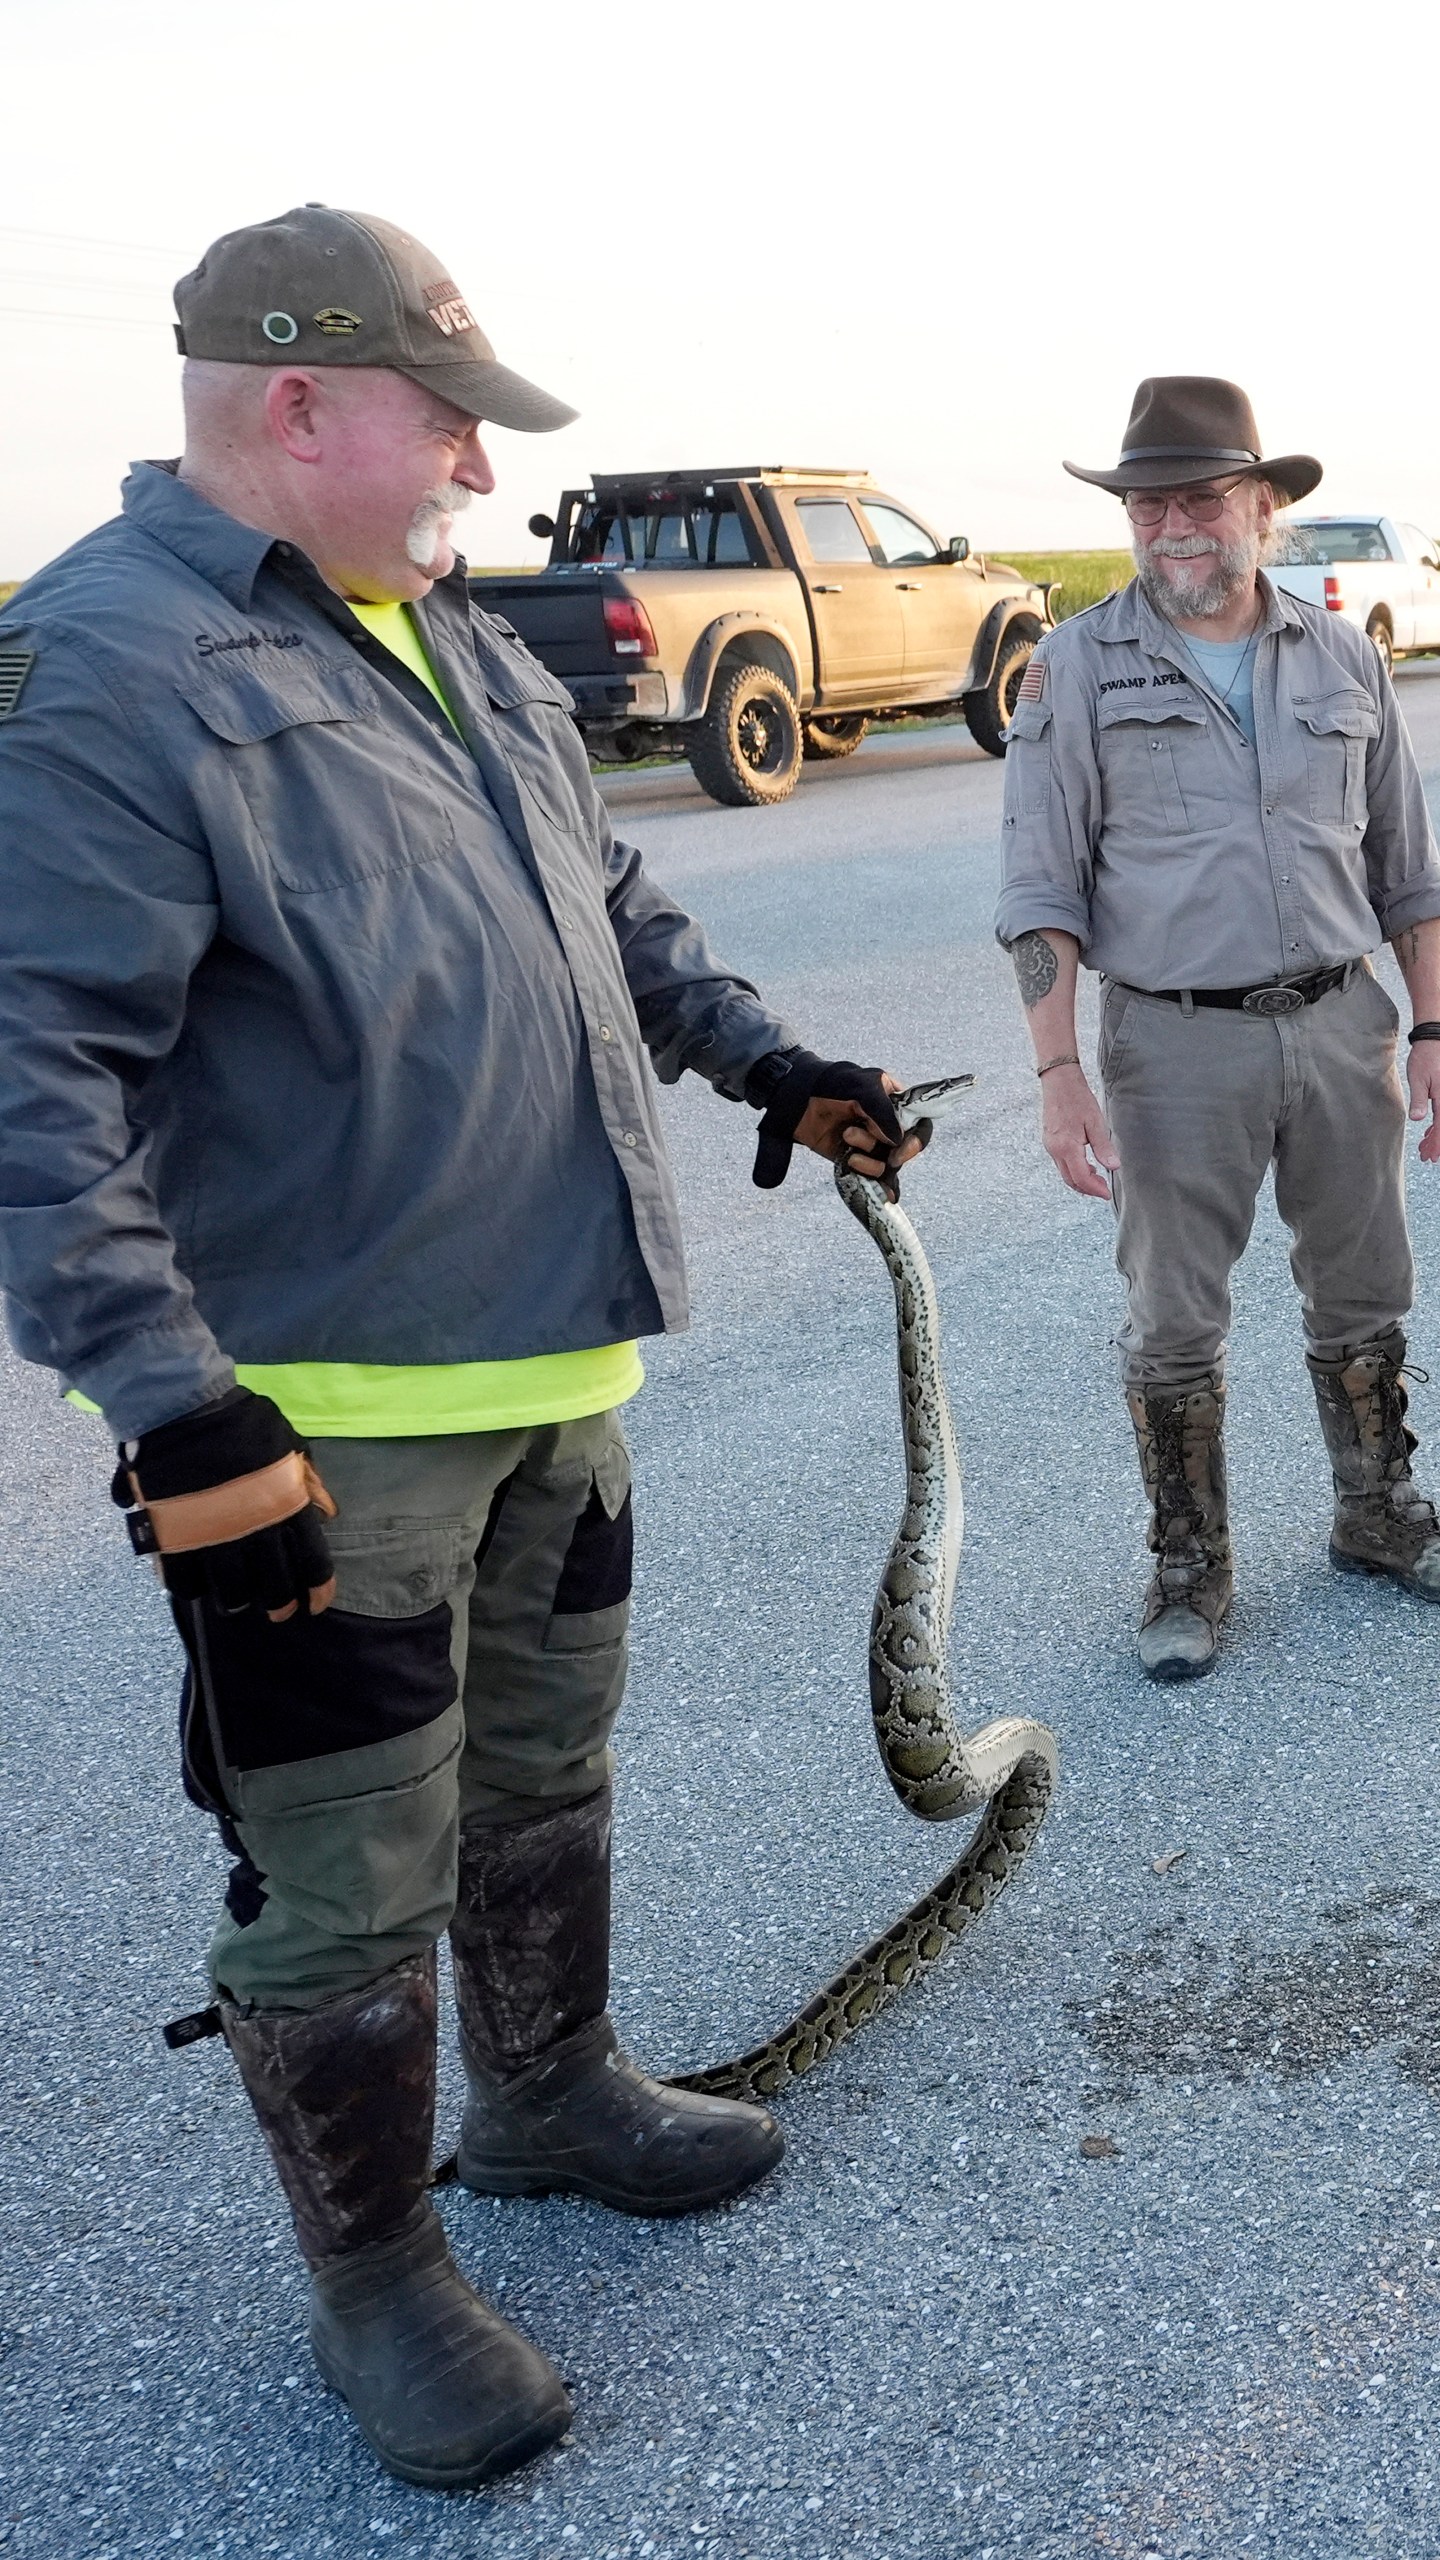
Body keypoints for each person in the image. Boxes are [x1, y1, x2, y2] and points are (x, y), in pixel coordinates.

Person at [0, 205, 923, 2491]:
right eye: (451, 426)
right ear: (297, 400)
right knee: (342, 1859)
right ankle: (379, 2279)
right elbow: (33, 1072)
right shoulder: (106, 663)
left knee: (543, 1766)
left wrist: (766, 1058)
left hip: (553, 1365)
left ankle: (549, 2094)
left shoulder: (449, 632)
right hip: (318, 1421)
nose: (482, 477)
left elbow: (610, 909)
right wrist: (175, 1408)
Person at [995, 376, 1440, 1680]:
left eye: (1199, 498)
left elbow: (1409, 869)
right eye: (1148, 503)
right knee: (1174, 1316)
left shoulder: (1344, 654)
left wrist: (1430, 1029)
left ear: (1262, 508)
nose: (1172, 524)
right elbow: (1039, 888)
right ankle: (1189, 1567)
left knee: (1364, 1289)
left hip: (1342, 1020)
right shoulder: (1076, 668)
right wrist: (1056, 1069)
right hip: (1173, 1043)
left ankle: (1377, 1514)